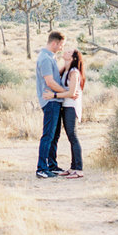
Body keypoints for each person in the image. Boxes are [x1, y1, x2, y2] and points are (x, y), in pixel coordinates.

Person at [35, 30, 77, 178]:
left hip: (55, 101)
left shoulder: (50, 58)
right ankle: (41, 168)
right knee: (48, 135)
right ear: (54, 43)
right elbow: (50, 82)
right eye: (61, 45)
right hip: (50, 101)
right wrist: (67, 91)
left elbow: (55, 77)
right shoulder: (46, 59)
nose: (62, 48)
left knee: (54, 135)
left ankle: (52, 165)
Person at [45, 48, 85, 178]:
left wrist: (54, 95)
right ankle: (73, 167)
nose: (65, 52)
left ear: (73, 58)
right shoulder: (66, 70)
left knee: (73, 136)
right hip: (66, 106)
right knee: (70, 136)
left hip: (71, 107)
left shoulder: (74, 72)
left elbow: (72, 93)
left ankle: (78, 169)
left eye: (69, 52)